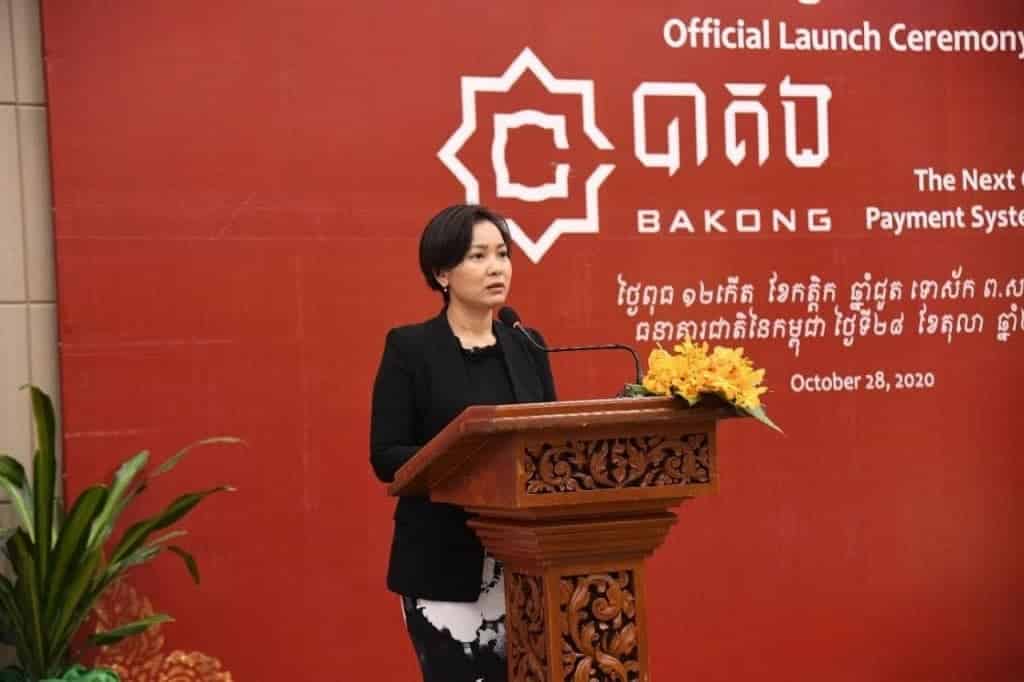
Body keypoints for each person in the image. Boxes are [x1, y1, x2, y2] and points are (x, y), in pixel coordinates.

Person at [370, 204, 557, 682]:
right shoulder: (410, 348)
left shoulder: (527, 345)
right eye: (478, 256)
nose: (497, 267)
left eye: (502, 254)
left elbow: (550, 446)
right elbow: (387, 455)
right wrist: (471, 464)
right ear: (442, 273)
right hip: (442, 561)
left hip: (523, 561)